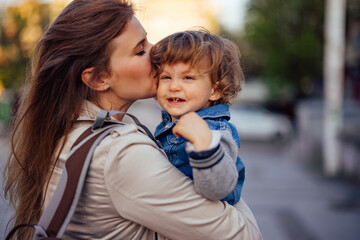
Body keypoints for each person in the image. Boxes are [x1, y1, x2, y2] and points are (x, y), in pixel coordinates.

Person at [4, 0, 262, 239]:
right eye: (140, 50)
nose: (157, 54)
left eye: (148, 42)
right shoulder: (120, 154)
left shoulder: (77, 129)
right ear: (97, 79)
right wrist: (225, 170)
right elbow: (244, 234)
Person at [150, 30, 245, 206]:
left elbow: (219, 188)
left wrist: (204, 144)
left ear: (215, 91)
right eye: (166, 77)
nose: (174, 86)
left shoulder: (212, 129)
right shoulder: (168, 123)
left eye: (188, 77)